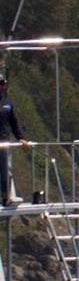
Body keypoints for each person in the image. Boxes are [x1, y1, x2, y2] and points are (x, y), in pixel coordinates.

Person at [0, 76, 22, 206]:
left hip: (3, 141)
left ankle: (5, 197)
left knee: (4, 171)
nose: (2, 86)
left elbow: (14, 123)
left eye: (3, 84)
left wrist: (21, 138)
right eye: (0, 84)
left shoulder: (8, 103)